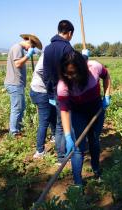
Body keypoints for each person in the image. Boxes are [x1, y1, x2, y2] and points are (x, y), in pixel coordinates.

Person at [57, 50, 111, 185]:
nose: (69, 77)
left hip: (96, 110)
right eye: (66, 73)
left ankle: (96, 168)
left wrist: (107, 95)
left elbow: (107, 76)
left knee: (94, 141)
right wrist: (68, 136)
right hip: (78, 113)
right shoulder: (63, 85)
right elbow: (64, 110)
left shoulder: (94, 68)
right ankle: (78, 182)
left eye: (73, 73)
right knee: (77, 148)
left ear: (82, 69)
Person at [43, 20, 74, 164]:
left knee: (59, 124)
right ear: (69, 33)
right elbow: (73, 72)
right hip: (67, 91)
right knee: (68, 122)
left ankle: (61, 156)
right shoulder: (67, 49)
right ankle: (66, 154)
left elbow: (46, 74)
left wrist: (50, 93)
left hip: (55, 91)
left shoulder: (48, 48)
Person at [4, 34, 42, 136]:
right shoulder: (17, 48)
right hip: (14, 83)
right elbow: (17, 64)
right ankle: (13, 132)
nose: (32, 49)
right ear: (29, 42)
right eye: (32, 47)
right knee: (17, 108)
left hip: (17, 84)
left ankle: (18, 128)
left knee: (21, 107)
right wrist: (28, 55)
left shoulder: (18, 48)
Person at [30, 53, 57, 159]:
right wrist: (50, 81)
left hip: (39, 91)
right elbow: (40, 70)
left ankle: (54, 136)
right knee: (44, 122)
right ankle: (39, 151)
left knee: (52, 114)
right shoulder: (48, 55)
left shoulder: (50, 54)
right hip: (41, 92)